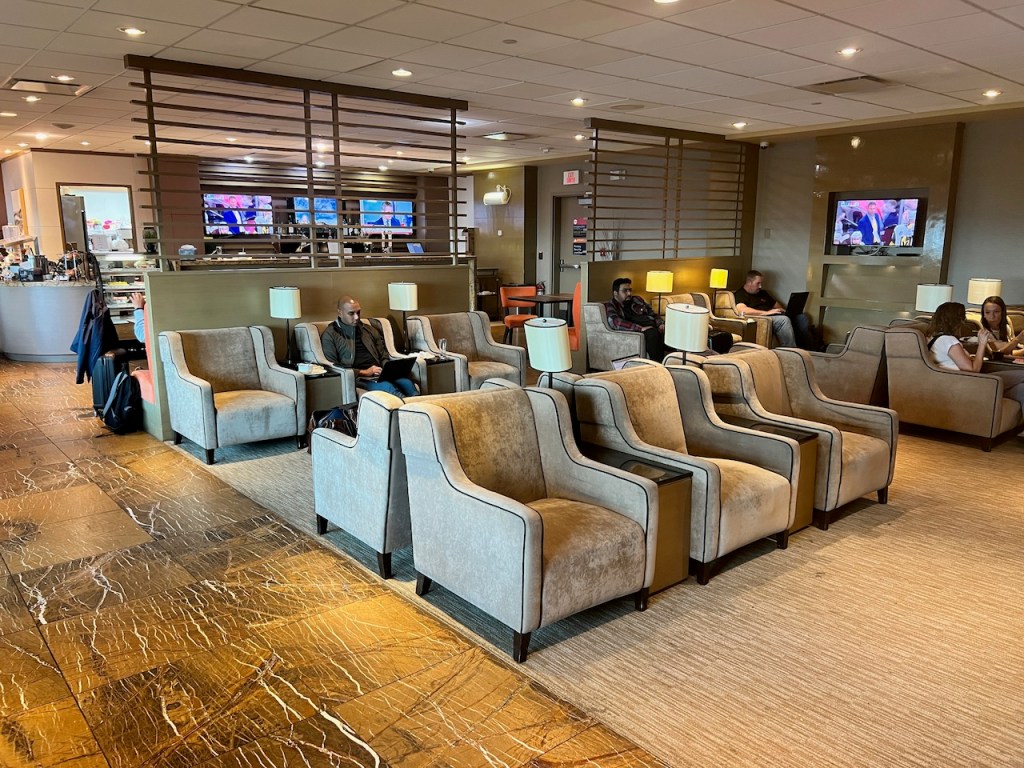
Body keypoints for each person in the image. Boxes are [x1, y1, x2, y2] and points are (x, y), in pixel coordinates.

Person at [927, 301, 1024, 407]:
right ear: (956, 321)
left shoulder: (934, 338)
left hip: (964, 382)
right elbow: (973, 370)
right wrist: (982, 343)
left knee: (1021, 390)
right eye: (963, 319)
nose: (964, 322)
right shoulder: (948, 340)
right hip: (970, 384)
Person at [320, 296, 417, 398]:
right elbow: (333, 366)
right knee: (389, 388)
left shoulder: (369, 330)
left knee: (407, 383)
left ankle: (418, 405)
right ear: (340, 313)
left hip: (379, 372)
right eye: (351, 313)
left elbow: (383, 354)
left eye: (358, 312)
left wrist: (388, 369)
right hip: (358, 377)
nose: (356, 317)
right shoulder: (330, 334)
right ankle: (407, 406)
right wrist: (365, 372)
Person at [734, 270, 817, 350]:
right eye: (758, 283)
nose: (760, 286)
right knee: (784, 320)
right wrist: (767, 313)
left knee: (802, 317)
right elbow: (743, 310)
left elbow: (777, 305)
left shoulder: (762, 293)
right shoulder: (740, 294)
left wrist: (782, 311)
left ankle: (809, 349)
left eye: (761, 283)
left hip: (773, 315)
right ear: (749, 282)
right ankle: (790, 350)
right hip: (762, 318)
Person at [604, 277, 664, 361]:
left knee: (670, 331)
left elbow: (652, 313)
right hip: (640, 331)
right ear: (615, 293)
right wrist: (640, 328)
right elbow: (615, 322)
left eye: (630, 290)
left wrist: (660, 323)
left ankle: (677, 359)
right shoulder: (611, 305)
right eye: (625, 291)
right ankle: (657, 364)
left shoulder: (637, 300)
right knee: (653, 334)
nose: (629, 293)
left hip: (652, 325)